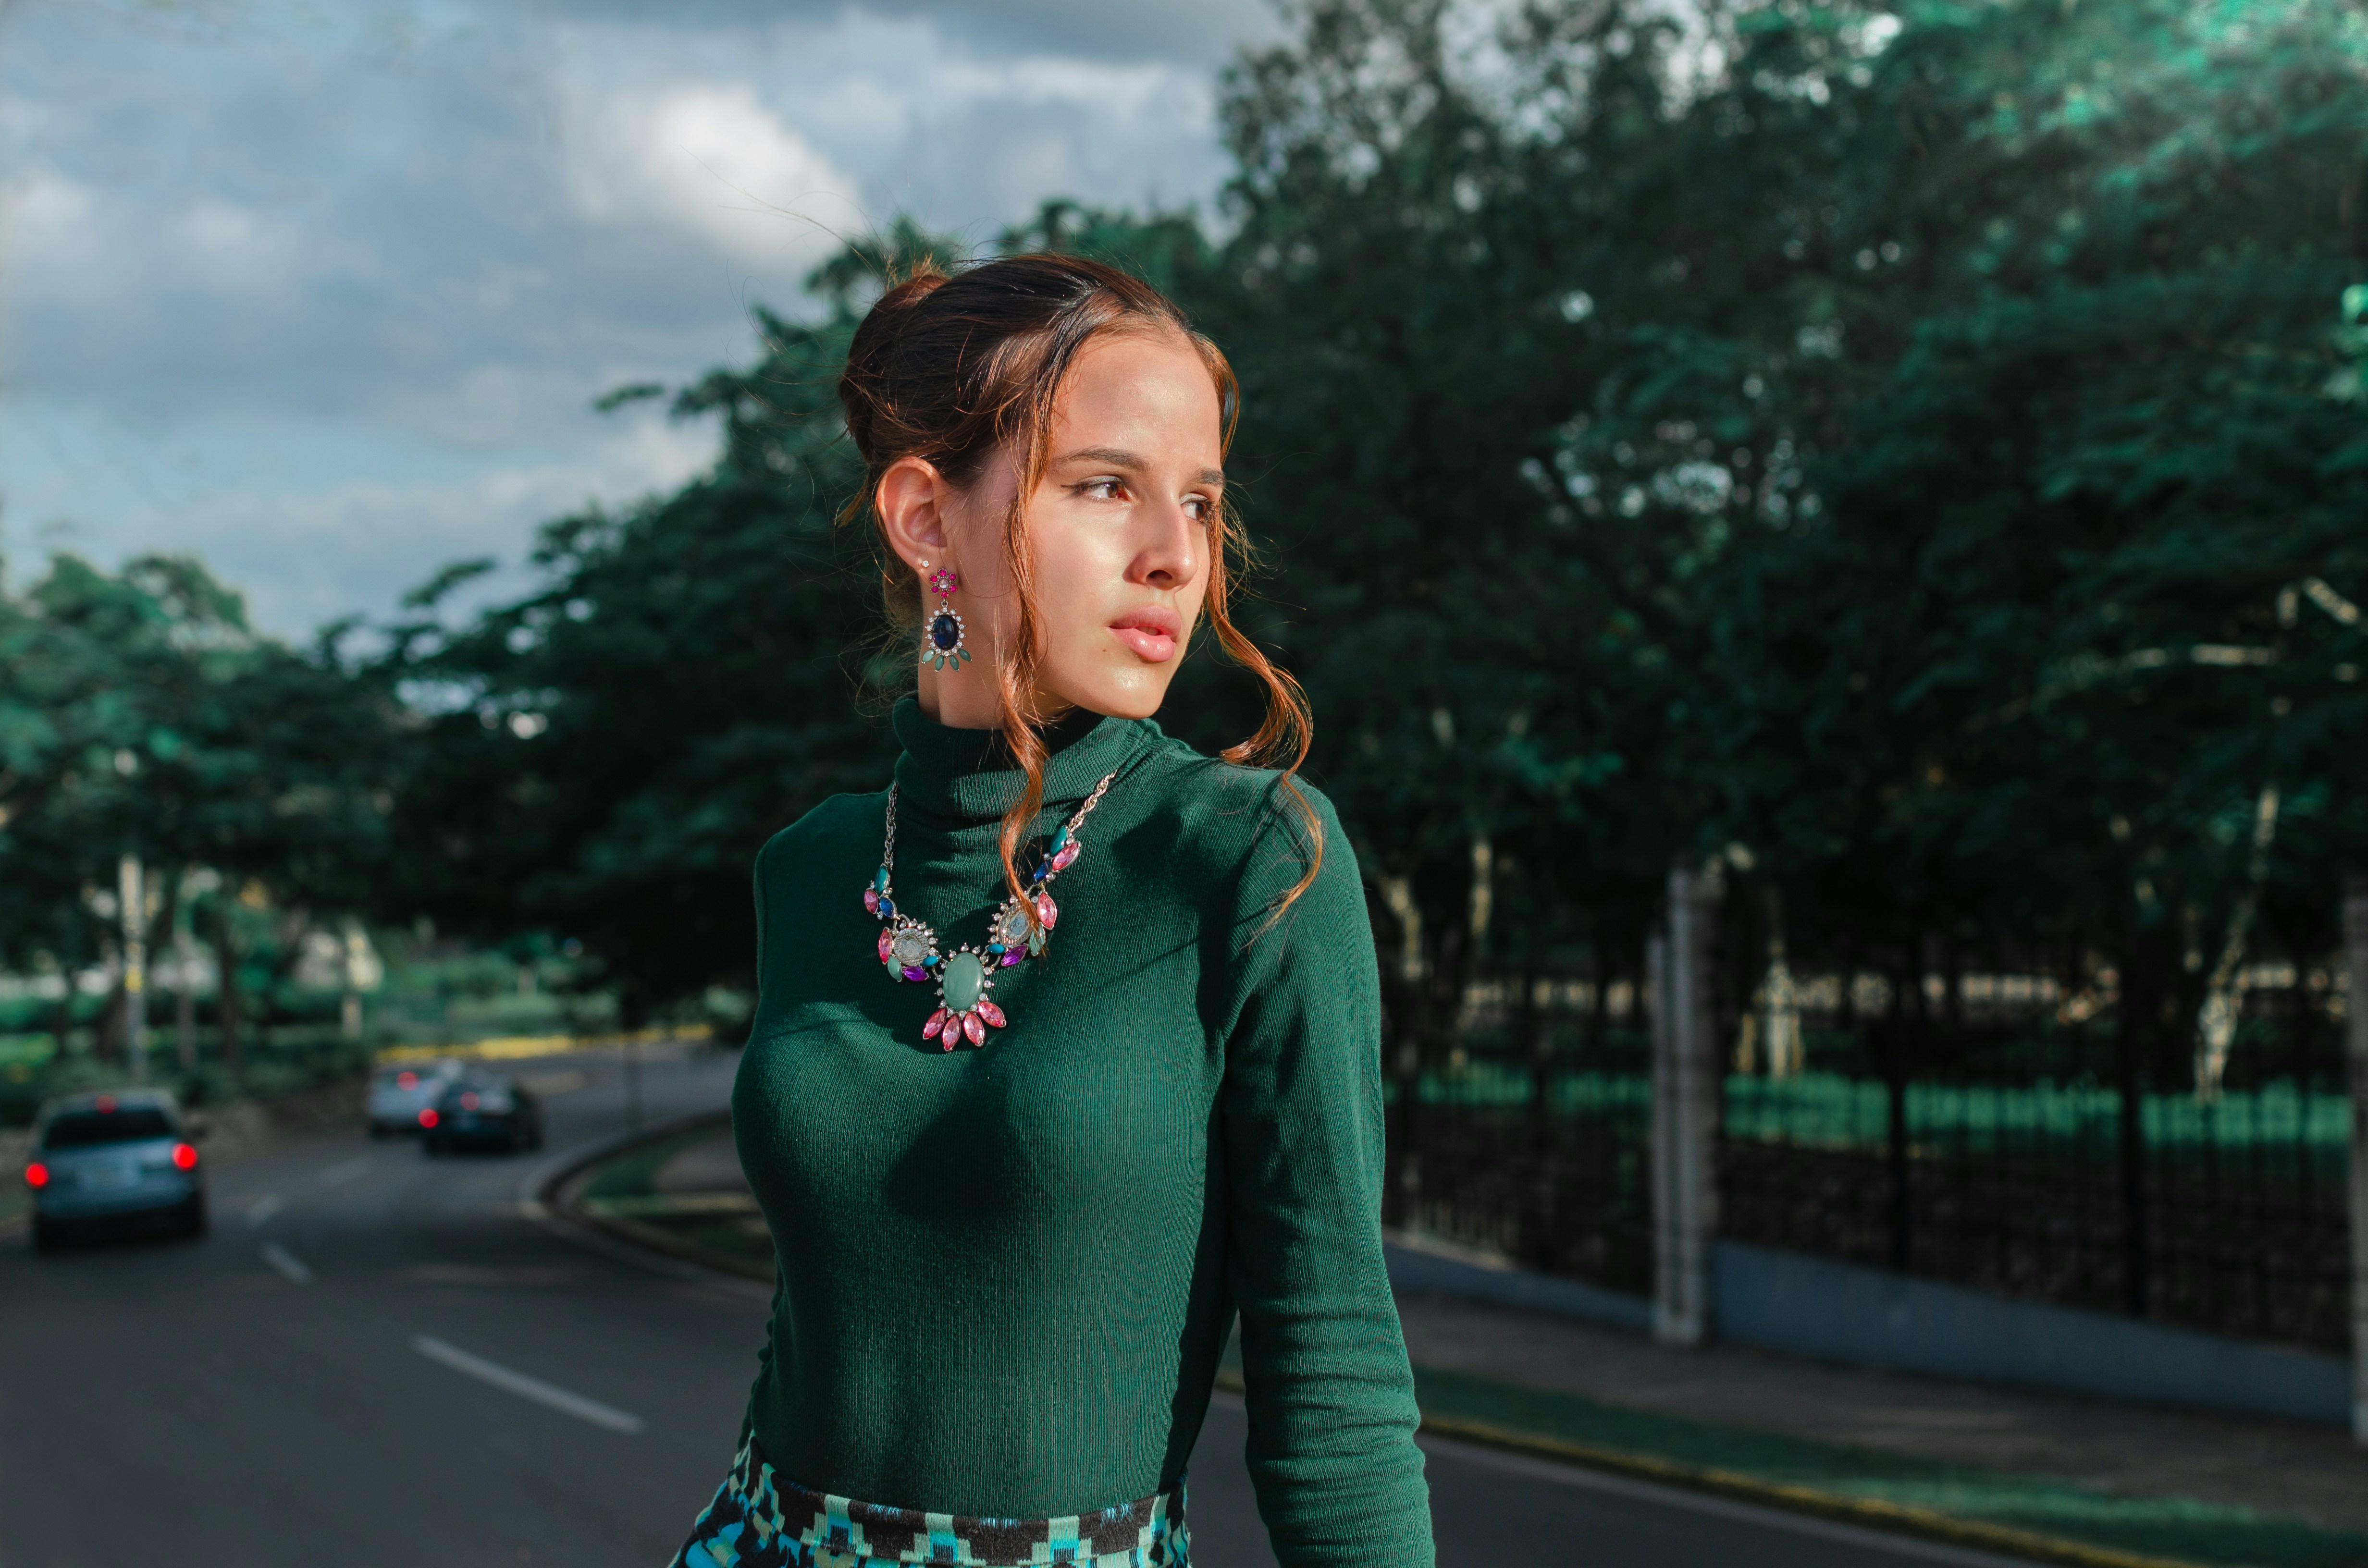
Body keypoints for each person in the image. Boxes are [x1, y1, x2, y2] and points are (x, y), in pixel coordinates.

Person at [668, 253, 1433, 1568]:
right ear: (925, 520)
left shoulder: (1253, 860)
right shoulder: (808, 869)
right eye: (1105, 489)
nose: (1175, 555)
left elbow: (1336, 1379)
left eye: (1198, 500)